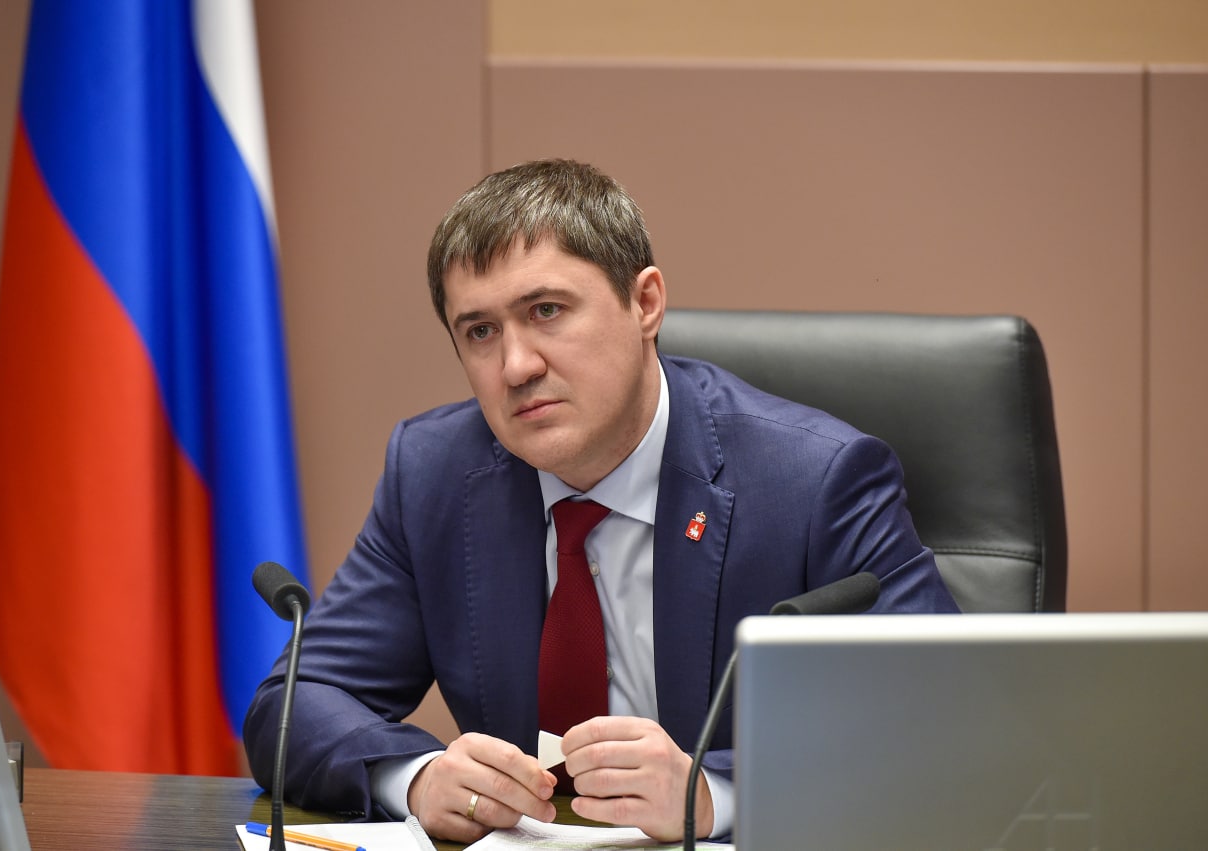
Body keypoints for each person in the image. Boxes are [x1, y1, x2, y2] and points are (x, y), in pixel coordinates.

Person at [243, 158, 959, 844]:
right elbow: (295, 703)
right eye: (481, 331)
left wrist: (714, 793)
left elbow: (943, 717)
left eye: (547, 310)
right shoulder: (435, 473)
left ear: (645, 303)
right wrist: (417, 777)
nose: (517, 366)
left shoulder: (814, 480)